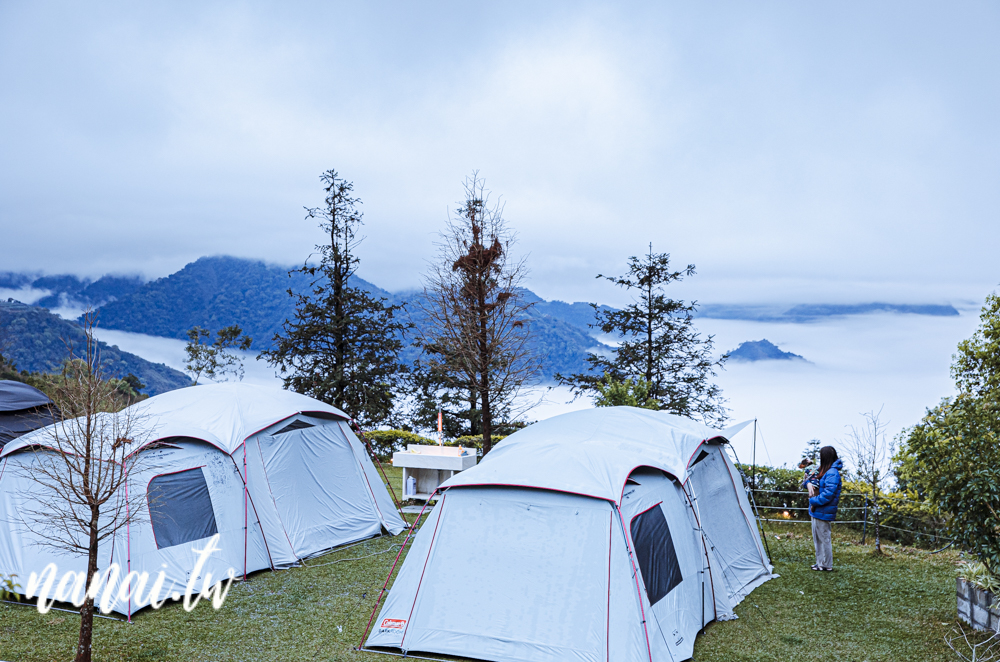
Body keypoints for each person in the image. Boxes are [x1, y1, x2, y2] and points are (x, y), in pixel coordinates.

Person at [802, 446, 843, 571]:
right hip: (817, 510)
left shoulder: (832, 473)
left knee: (824, 538)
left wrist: (813, 500)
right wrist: (807, 483)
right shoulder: (825, 470)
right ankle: (820, 562)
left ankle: (826, 565)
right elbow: (810, 480)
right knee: (818, 538)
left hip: (823, 510)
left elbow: (828, 494)